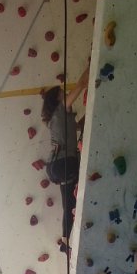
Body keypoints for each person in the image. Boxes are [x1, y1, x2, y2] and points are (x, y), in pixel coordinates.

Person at [41, 65, 89, 253]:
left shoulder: (57, 119)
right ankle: (67, 241)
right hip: (65, 163)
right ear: (58, 99)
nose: (66, 94)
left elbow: (77, 126)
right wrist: (90, 67)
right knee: (71, 203)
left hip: (56, 166)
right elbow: (81, 85)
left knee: (68, 204)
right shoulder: (60, 109)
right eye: (63, 93)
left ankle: (65, 241)